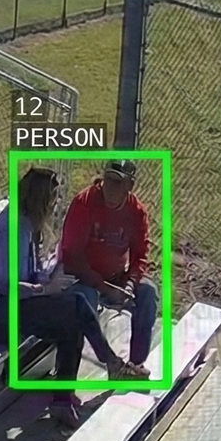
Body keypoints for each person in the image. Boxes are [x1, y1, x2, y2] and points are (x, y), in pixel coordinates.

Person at [0, 164, 136, 429]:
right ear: (41, 199)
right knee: (77, 306)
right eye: (54, 198)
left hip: (14, 304)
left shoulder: (27, 224)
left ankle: (63, 400)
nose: (56, 203)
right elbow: (3, 285)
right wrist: (44, 290)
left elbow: (24, 275)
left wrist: (48, 277)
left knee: (72, 319)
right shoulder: (15, 227)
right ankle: (109, 365)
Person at [58, 158, 159, 379]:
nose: (110, 188)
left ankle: (135, 363)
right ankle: (110, 361)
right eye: (108, 180)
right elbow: (72, 256)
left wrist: (131, 283)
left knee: (148, 292)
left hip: (117, 277)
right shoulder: (84, 203)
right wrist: (102, 286)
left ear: (129, 186)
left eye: (117, 183)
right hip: (83, 278)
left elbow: (141, 254)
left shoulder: (136, 211)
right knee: (82, 301)